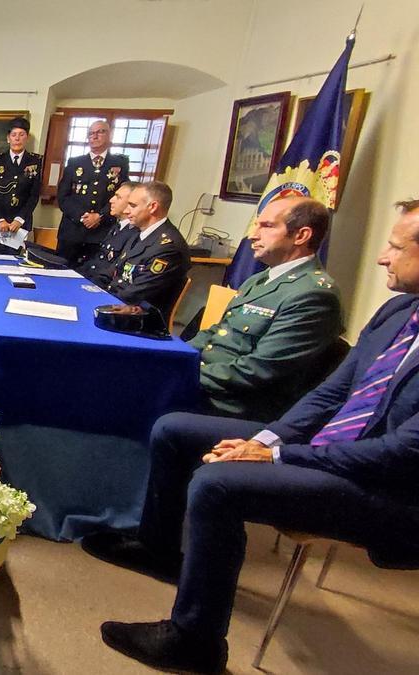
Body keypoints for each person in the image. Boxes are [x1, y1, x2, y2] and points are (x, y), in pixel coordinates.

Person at [84, 198, 419, 675]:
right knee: (174, 429)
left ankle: (196, 641)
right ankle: (158, 549)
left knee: (218, 484)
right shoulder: (398, 312)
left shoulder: (321, 295)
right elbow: (331, 394)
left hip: (387, 487)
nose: (383, 257)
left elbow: (403, 451)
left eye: (396, 247)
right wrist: (267, 440)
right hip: (330, 449)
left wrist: (282, 457)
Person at [189, 196, 343, 421]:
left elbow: (258, 370)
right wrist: (176, 358)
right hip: (209, 383)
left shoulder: (313, 295)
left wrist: (187, 374)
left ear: (301, 235)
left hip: (237, 404)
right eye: (256, 225)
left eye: (267, 226)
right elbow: (216, 332)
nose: (253, 235)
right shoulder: (260, 279)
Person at [103, 181, 190, 321]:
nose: (126, 211)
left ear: (153, 207)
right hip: (118, 304)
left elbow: (136, 294)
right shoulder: (140, 234)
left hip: (138, 318)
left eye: (133, 206)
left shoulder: (168, 248)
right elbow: (113, 272)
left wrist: (99, 301)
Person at [56, 121, 131, 266]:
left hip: (101, 232)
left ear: (109, 135)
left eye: (100, 132)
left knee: (95, 273)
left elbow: (123, 196)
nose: (95, 136)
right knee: (62, 269)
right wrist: (82, 216)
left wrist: (100, 216)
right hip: (73, 231)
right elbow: (63, 196)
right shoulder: (75, 163)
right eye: (91, 133)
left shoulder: (119, 164)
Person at [0, 116, 42, 255]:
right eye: (14, 135)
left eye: (21, 135)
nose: (17, 139)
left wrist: (19, 220)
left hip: (18, 226)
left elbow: (34, 195)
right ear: (8, 138)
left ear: (27, 138)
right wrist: (0, 220)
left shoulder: (36, 161)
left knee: (14, 264)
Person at [77, 181, 137, 286]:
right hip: (90, 277)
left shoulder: (134, 233)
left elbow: (114, 272)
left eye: (118, 197)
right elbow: (97, 261)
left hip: (102, 285)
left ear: (131, 204)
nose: (111, 200)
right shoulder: (117, 227)